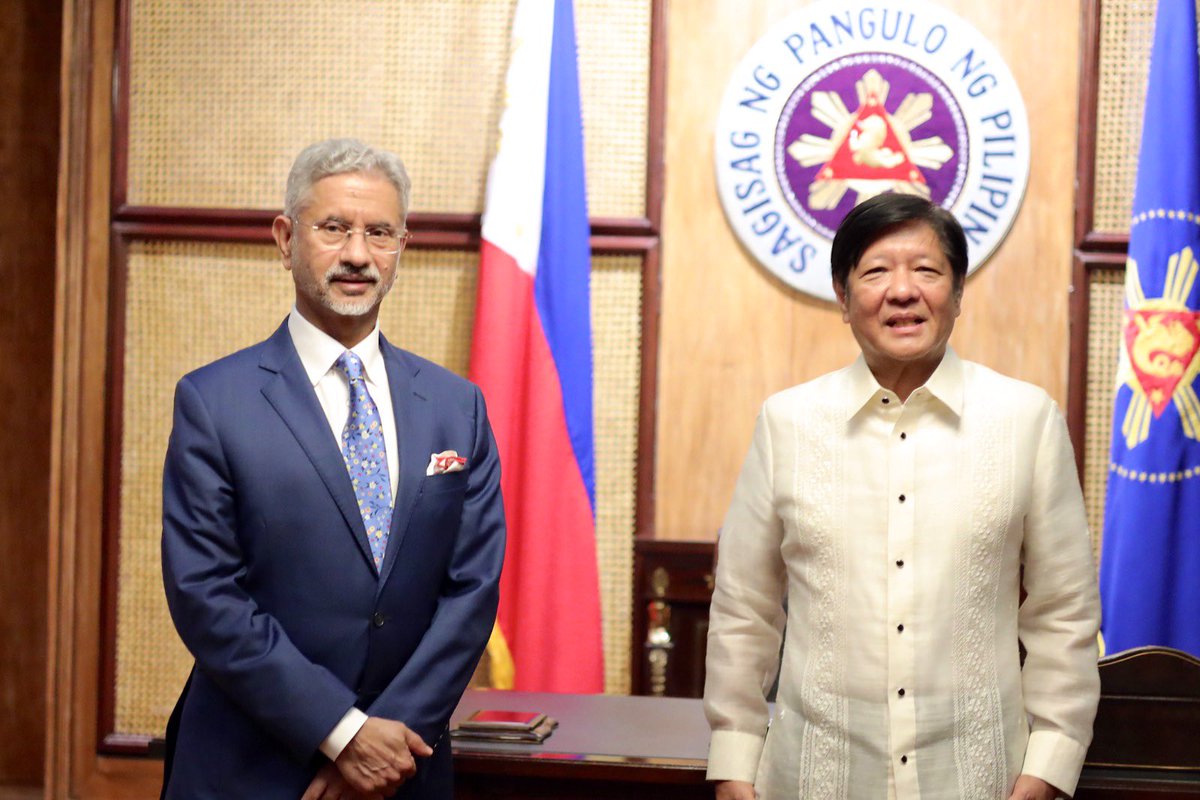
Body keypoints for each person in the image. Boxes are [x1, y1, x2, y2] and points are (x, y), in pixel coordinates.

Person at [703, 193, 1101, 800]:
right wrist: (734, 760)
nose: (902, 290)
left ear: (959, 293)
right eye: (876, 271)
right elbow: (744, 609)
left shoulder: (1026, 420)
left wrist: (1047, 767)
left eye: (927, 270)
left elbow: (1062, 612)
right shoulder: (787, 423)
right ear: (843, 297)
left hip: (981, 779)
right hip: (815, 777)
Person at [160, 138, 505, 800]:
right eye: (334, 229)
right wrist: (343, 733)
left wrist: (388, 741)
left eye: (379, 233)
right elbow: (205, 593)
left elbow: (472, 590)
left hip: (407, 768)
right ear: (286, 239)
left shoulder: (456, 407)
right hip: (248, 766)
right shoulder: (213, 402)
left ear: (403, 246)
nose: (357, 255)